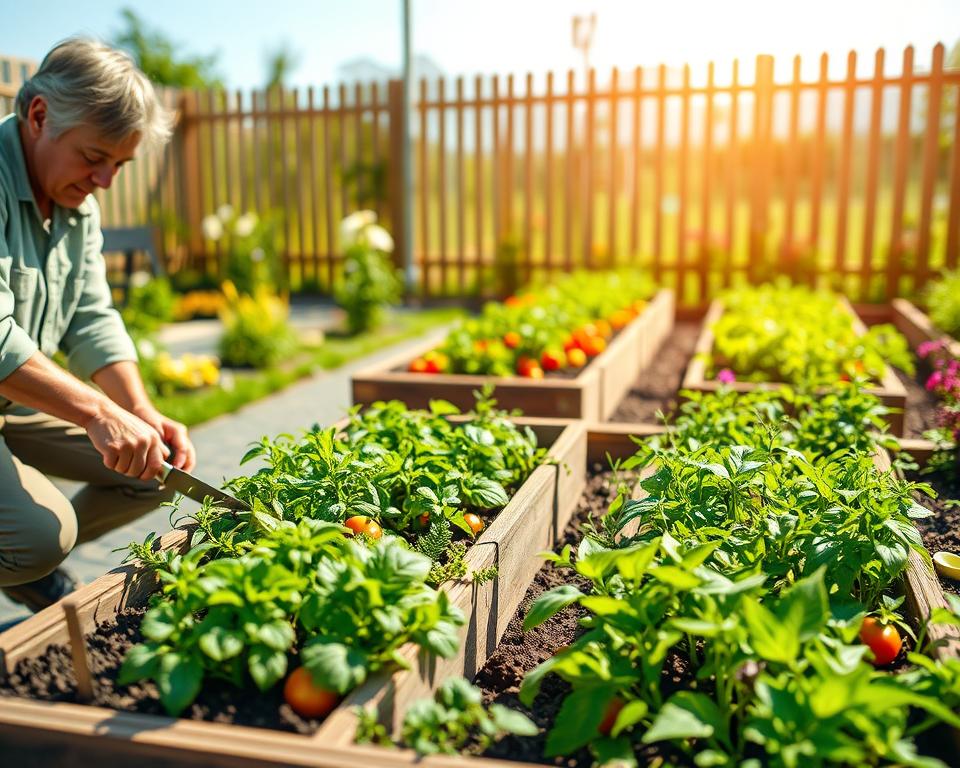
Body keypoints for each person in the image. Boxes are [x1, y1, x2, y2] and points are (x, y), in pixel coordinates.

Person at [0, 38, 196, 612]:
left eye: (120, 164)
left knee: (151, 467)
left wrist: (137, 411)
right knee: (43, 536)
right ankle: (29, 554)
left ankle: (26, 569)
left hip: (10, 402)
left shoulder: (76, 204)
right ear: (38, 116)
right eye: (94, 157)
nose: (106, 181)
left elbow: (90, 315)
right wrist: (96, 411)